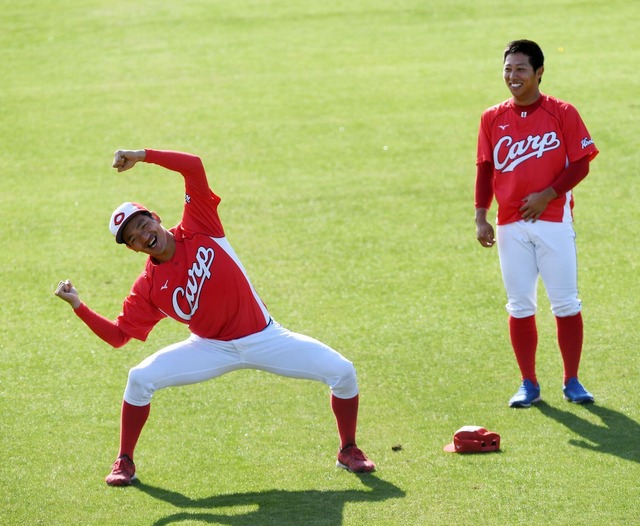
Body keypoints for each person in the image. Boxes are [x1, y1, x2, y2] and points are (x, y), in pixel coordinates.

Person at [55, 148, 375, 486]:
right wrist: (78, 305)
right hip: (209, 348)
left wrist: (141, 155)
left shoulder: (199, 224)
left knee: (343, 372)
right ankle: (124, 461)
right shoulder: (149, 287)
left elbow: (192, 167)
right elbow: (119, 335)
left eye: (143, 224)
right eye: (132, 238)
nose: (142, 235)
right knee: (139, 378)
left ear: (156, 217)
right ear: (133, 250)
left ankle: (348, 449)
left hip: (264, 337)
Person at [474, 39, 599, 408]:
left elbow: (581, 162)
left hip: (554, 221)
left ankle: (572, 380)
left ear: (539, 73)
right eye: (508, 69)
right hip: (510, 224)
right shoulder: (492, 117)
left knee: (565, 302)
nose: (513, 76)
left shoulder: (562, 112)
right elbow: (485, 168)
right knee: (519, 305)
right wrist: (481, 216)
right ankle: (528, 383)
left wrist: (548, 194)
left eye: (521, 69)